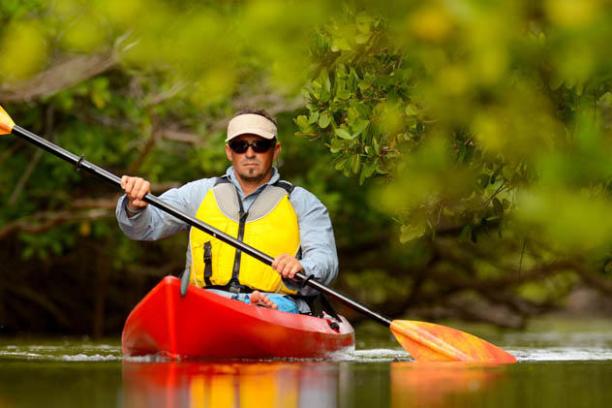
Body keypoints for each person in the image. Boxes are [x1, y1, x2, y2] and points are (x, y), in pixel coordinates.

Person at [115, 110, 338, 314]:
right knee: (186, 300)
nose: (250, 153)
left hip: (278, 303)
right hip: (209, 300)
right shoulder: (199, 193)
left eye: (259, 145)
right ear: (229, 151)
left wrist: (302, 267)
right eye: (240, 145)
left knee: (273, 305)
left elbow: (325, 260)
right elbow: (144, 227)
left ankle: (263, 309)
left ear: (275, 150)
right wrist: (134, 205)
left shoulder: (304, 203)